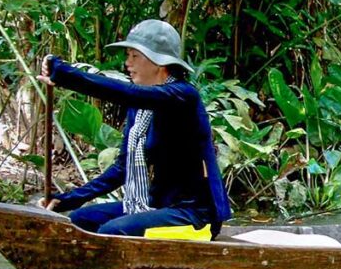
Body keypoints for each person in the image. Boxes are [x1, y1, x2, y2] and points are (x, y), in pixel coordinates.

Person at [37, 19, 231, 236]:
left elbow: (128, 93)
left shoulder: (182, 96)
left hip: (195, 214)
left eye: (134, 56)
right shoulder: (139, 108)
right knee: (79, 220)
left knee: (113, 231)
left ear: (159, 63)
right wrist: (67, 200)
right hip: (157, 205)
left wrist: (67, 76)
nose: (127, 64)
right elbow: (122, 169)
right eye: (128, 56)